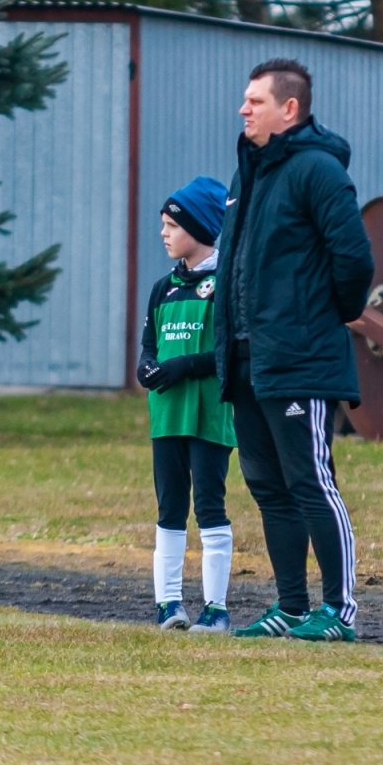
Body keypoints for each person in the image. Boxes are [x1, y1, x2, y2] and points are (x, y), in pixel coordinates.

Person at [213, 59, 376, 642]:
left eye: (255, 101)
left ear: (290, 109)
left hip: (299, 358)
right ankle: (291, 606)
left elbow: (354, 260)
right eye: (244, 99)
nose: (243, 110)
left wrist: (318, 315)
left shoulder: (318, 170)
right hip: (245, 357)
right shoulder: (246, 176)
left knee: (311, 480)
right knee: (268, 486)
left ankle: (339, 611)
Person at [138, 176, 238, 632]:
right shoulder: (163, 288)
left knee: (210, 506)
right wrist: (148, 367)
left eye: (171, 225)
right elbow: (149, 346)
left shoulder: (226, 283)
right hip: (168, 415)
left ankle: (216, 608)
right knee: (170, 507)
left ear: (197, 229)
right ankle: (168, 604)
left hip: (211, 413)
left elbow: (228, 353)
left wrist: (184, 367)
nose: (163, 233)